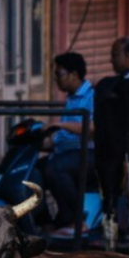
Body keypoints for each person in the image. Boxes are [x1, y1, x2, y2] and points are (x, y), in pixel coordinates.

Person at [42, 52, 94, 236]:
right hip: (66, 152)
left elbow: (93, 128)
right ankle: (46, 222)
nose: (56, 79)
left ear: (74, 75)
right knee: (33, 170)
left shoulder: (91, 96)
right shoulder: (70, 99)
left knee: (55, 168)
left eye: (59, 74)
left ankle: (77, 221)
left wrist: (60, 125)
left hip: (87, 154)